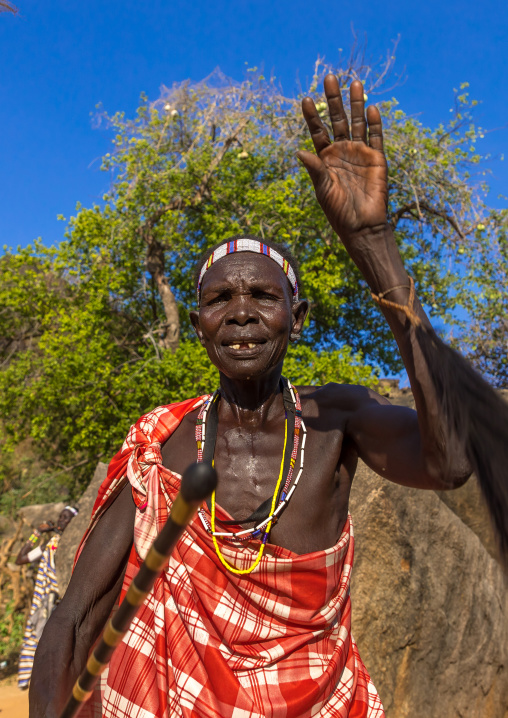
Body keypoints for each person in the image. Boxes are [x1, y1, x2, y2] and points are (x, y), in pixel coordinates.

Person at [29, 77, 508, 718]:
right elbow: (75, 615)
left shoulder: (336, 420)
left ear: (297, 316)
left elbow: (449, 463)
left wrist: (374, 247)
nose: (242, 314)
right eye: (219, 300)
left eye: (262, 297)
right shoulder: (160, 445)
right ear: (198, 324)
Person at [16, 506, 78, 689]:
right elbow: (20, 559)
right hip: (45, 602)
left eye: (66, 518)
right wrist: (36, 533)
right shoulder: (49, 545)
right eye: (61, 517)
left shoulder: (74, 544)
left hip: (62, 602)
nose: (61, 521)